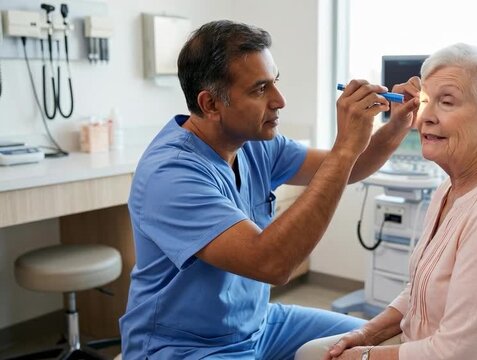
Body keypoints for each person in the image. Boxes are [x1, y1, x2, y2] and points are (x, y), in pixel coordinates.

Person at [119, 20, 420, 359]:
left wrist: (397, 125)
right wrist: (345, 148)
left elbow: (353, 167)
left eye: (274, 82)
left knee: (378, 343)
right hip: (185, 346)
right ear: (211, 105)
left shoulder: (254, 144)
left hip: (259, 325)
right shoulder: (170, 173)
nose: (280, 100)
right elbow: (272, 264)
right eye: (259, 89)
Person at [296, 43, 477, 360]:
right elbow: (419, 293)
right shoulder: (450, 187)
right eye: (424, 101)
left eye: (446, 102)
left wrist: (363, 357)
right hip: (426, 346)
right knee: (311, 352)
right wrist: (365, 333)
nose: (426, 117)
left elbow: (456, 353)